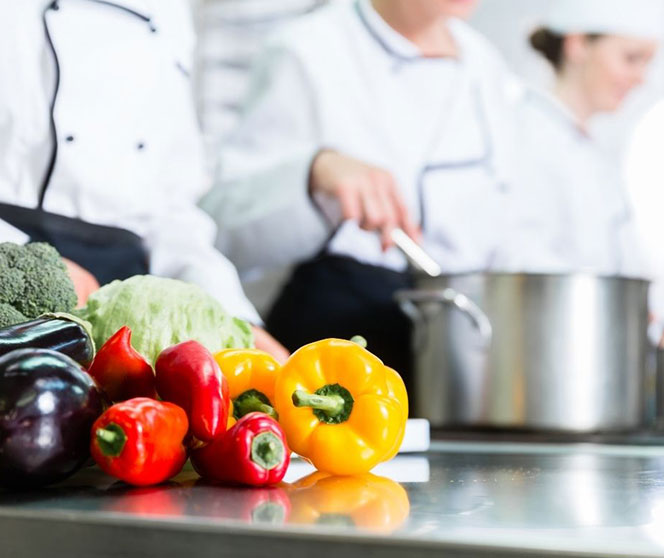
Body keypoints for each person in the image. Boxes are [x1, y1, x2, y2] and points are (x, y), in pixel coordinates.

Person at [203, 0, 522, 380]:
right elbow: (222, 227)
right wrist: (314, 173)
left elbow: (511, 223)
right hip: (335, 339)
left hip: (458, 343)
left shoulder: (484, 64)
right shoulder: (309, 49)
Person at [0, 0, 287, 360]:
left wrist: (235, 318)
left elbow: (171, 208)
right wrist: (21, 256)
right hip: (20, 270)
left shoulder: (171, 11)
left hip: (121, 295)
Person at [504, 0, 660, 277]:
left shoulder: (592, 151)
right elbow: (518, 255)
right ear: (577, 45)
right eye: (632, 58)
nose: (641, 78)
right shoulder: (520, 132)